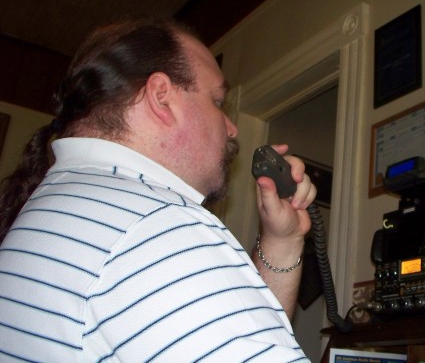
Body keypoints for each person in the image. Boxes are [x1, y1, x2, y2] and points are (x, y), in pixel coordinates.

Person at [0, 18, 315, 362]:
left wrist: (282, 241)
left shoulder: (55, 204)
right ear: (161, 96)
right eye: (218, 102)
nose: (232, 128)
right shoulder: (155, 225)